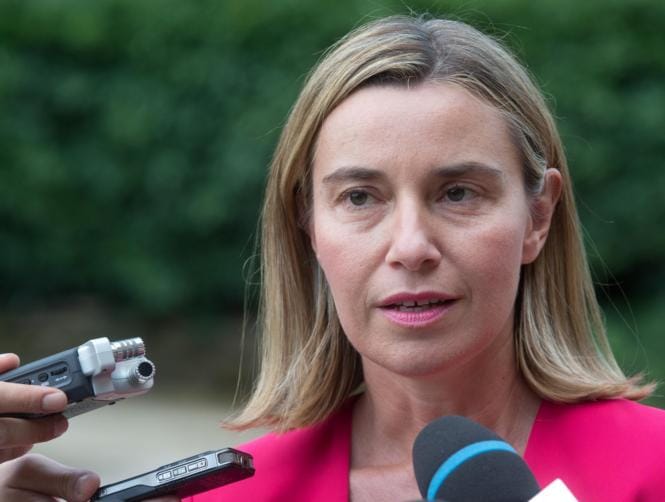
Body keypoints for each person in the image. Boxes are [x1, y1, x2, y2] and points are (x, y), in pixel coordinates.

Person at [1, 14, 663, 502]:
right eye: (360, 197)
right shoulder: (231, 496)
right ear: (308, 227)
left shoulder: (651, 472)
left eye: (458, 192)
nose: (411, 246)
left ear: (538, 217)